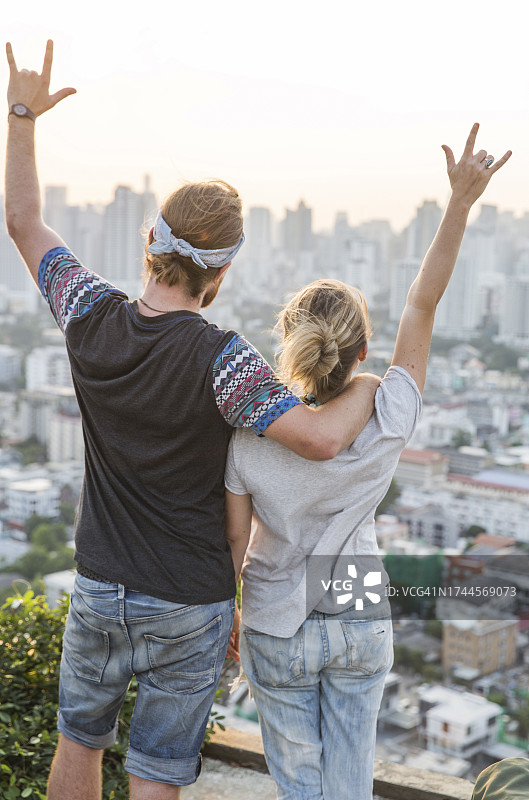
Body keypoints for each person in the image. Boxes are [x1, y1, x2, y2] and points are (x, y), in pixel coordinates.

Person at [4, 41, 381, 800]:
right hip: (190, 596)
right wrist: (374, 383)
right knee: (158, 770)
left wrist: (21, 116)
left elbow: (21, 220)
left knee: (79, 742)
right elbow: (318, 438)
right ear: (223, 269)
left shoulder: (88, 313)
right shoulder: (226, 362)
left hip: (101, 582)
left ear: (150, 245)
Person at [224, 125, 511, 800]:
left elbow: (234, 543)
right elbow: (421, 300)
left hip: (272, 609)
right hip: (352, 597)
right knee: (349, 781)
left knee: (300, 781)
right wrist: (459, 204)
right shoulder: (386, 415)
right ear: (358, 353)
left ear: (290, 346)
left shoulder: (243, 437)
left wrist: (228, 620)